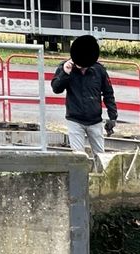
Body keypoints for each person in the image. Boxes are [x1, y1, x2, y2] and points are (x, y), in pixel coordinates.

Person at [50, 35, 118, 166]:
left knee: (100, 156)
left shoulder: (99, 70)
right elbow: (56, 88)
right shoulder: (65, 67)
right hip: (75, 120)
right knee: (78, 157)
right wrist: (65, 73)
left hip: (95, 121)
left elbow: (108, 94)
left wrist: (112, 116)